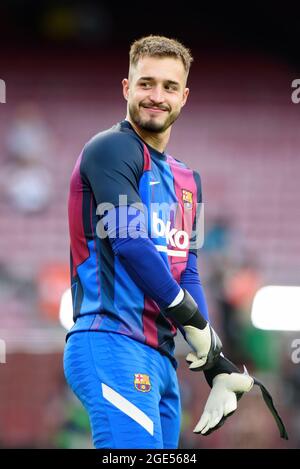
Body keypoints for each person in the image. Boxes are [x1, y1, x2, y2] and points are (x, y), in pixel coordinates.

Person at [63, 35, 287, 449]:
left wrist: (216, 365)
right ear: (127, 88)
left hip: (162, 360)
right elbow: (131, 242)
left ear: (183, 97)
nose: (156, 96)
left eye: (169, 87)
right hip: (112, 342)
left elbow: (190, 271)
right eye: (146, 83)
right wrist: (196, 324)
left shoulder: (189, 180)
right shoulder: (109, 149)